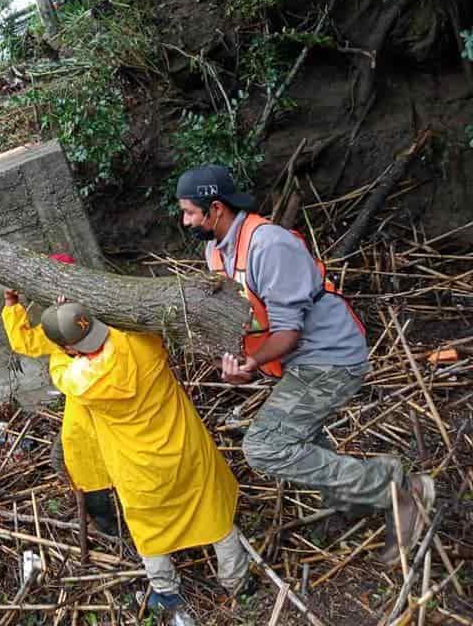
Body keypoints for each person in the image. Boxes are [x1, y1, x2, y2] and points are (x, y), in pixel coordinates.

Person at [175, 164, 435, 567]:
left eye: (190, 212)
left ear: (216, 208)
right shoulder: (215, 250)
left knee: (264, 446)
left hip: (330, 358)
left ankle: (397, 490)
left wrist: (252, 361)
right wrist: (237, 363)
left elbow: (288, 332)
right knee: (300, 436)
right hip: (296, 363)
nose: (185, 220)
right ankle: (353, 500)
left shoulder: (268, 246)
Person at [35, 301, 249, 625]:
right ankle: (238, 583)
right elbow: (131, 316)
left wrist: (63, 343)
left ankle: (167, 594)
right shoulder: (141, 341)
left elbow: (59, 365)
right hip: (185, 448)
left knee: (149, 532)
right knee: (214, 512)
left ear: (68, 349)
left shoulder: (75, 381)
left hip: (137, 469)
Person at [1, 253, 117, 535]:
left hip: (102, 412)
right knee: (76, 464)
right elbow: (26, 341)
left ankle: (111, 527)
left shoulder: (89, 319)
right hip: (82, 419)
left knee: (92, 467)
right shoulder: (62, 322)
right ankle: (107, 524)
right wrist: (11, 303)